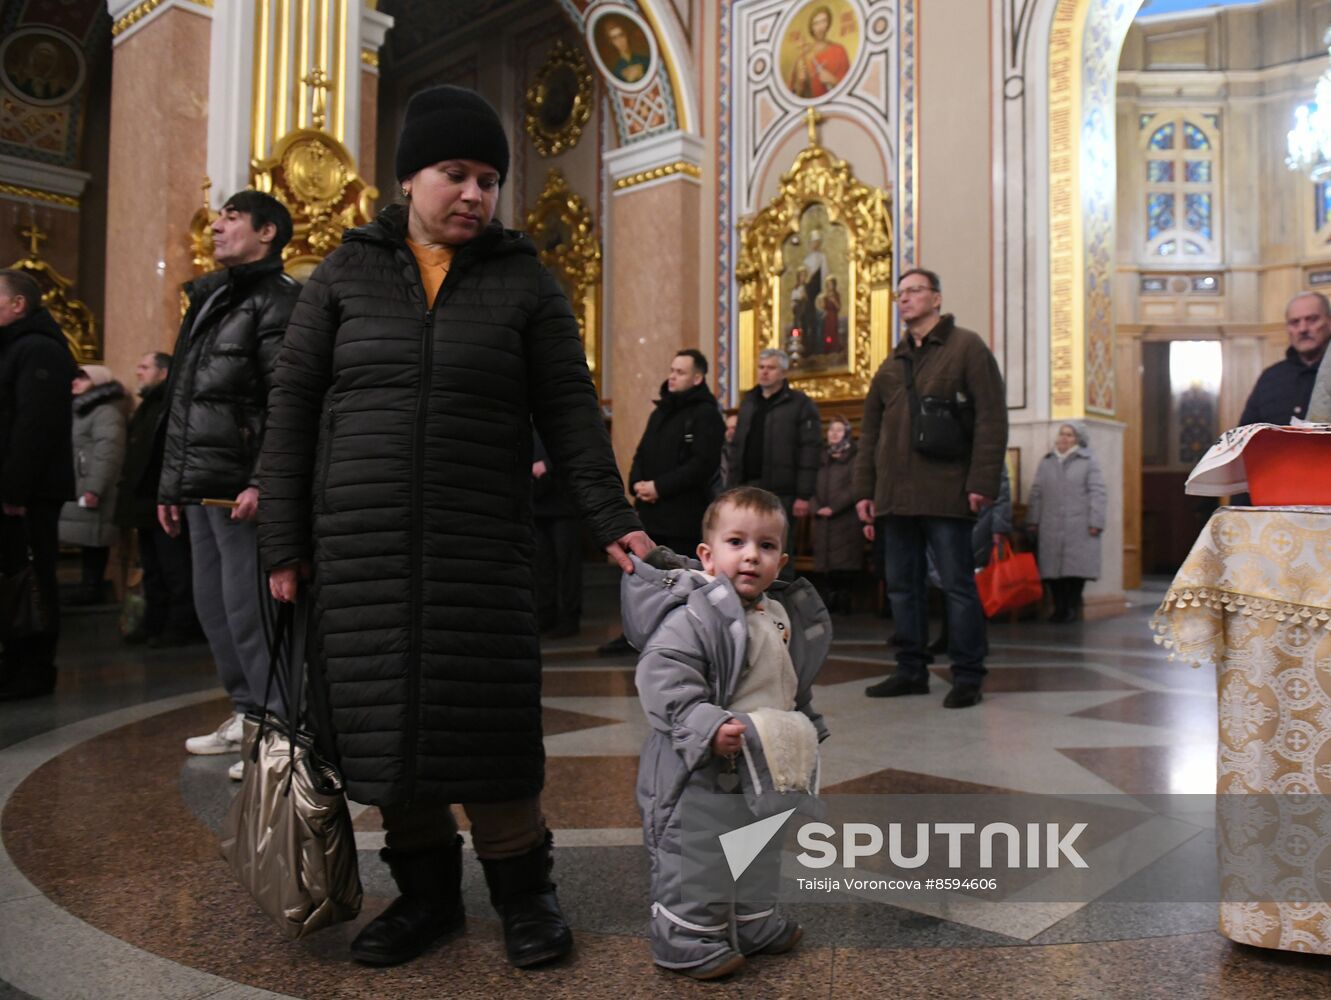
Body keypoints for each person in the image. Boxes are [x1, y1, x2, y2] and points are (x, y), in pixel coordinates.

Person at [258, 85, 651, 971]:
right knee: (385, 728)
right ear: (409, 178)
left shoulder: (524, 280)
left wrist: (611, 519)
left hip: (479, 545)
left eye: (488, 178)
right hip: (359, 550)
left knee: (489, 727)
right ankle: (426, 897)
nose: (475, 193)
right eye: (455, 174)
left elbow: (570, 411)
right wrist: (282, 539)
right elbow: (292, 410)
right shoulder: (344, 274)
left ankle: (525, 895)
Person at [621, 486, 829, 980]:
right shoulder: (695, 613)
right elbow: (663, 676)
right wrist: (707, 724)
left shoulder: (777, 614)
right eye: (737, 542)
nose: (752, 556)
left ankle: (753, 921)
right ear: (708, 556)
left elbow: (784, 680)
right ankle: (687, 938)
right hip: (698, 766)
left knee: (758, 847)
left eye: (767, 545)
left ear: (782, 558)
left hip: (757, 762)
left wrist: (804, 724)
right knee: (698, 856)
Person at [157, 189, 300, 775]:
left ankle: (280, 723)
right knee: (214, 607)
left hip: (242, 488)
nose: (216, 227)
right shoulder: (211, 298)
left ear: (267, 232)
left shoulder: (277, 300)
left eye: (231, 218)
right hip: (202, 484)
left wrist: (264, 480)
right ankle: (247, 710)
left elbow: (286, 399)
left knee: (251, 609)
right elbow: (184, 401)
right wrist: (171, 486)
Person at [854, 268, 1007, 709]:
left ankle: (967, 674)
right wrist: (866, 490)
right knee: (902, 586)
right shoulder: (891, 363)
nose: (904, 299)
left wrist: (982, 482)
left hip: (947, 490)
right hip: (895, 496)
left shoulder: (967, 348)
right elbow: (870, 432)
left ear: (936, 299)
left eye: (914, 291)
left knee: (957, 586)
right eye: (899, 293)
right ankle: (910, 669)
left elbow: (991, 420)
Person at [0, 268, 77, 701]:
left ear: (18, 305)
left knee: (30, 578)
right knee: (12, 578)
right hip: (15, 488)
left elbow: (34, 426)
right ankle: (14, 664)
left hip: (28, 494)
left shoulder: (39, 350)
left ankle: (32, 669)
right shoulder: (14, 347)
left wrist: (14, 491)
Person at [115, 352, 198, 646]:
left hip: (162, 498)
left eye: (145, 366)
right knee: (152, 569)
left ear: (164, 373)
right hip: (144, 501)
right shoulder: (148, 405)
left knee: (174, 567)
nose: (138, 371)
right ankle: (155, 622)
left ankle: (181, 624)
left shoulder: (170, 403)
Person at [728, 348, 821, 579]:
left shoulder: (800, 403)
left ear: (783, 372)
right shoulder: (749, 401)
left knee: (779, 550)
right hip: (748, 487)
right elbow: (738, 448)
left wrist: (804, 495)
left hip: (784, 491)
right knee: (745, 548)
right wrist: (731, 489)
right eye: (761, 367)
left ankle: (780, 607)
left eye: (770, 368)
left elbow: (810, 450)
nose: (764, 372)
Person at [629, 349, 725, 556]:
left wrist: (659, 487)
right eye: (672, 370)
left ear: (697, 378)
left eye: (680, 372)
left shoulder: (706, 414)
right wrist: (636, 483)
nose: (672, 376)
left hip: (683, 522)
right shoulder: (660, 412)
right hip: (649, 516)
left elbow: (701, 465)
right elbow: (642, 452)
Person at [58, 365, 127, 606]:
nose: (75, 381)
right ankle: (86, 587)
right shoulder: (82, 410)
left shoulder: (104, 412)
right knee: (84, 535)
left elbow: (108, 453)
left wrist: (95, 487)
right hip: (77, 482)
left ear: (98, 382)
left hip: (92, 485)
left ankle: (91, 587)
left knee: (93, 537)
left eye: (83, 377)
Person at [1027, 423, 1106, 623]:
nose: (1064, 438)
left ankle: (1071, 607)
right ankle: (1058, 608)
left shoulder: (1088, 461)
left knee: (1075, 569)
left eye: (1069, 435)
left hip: (1078, 524)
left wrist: (1096, 520)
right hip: (1050, 523)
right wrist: (1033, 520)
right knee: (1052, 570)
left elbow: (1097, 492)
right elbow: (1036, 493)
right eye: (1062, 434)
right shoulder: (1047, 461)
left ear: (1078, 439)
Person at [928, 465, 1012, 653]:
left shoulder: (986, 450)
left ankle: (977, 640)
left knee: (974, 583)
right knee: (945, 581)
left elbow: (1002, 491)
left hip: (980, 522)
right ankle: (948, 635)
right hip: (949, 516)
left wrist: (1000, 527)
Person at [1239, 291, 1331, 426]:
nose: (1303, 328)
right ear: (1288, 328)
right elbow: (1245, 435)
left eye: (1312, 319)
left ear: (1329, 321)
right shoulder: (1270, 377)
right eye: (1294, 322)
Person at [532, 430, 583, 639]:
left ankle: (569, 618)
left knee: (567, 565)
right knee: (542, 564)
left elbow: (577, 449)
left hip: (564, 503)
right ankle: (545, 615)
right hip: (537, 500)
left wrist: (548, 463)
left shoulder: (564, 416)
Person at [811, 414, 862, 614]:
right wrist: (816, 507)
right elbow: (811, 485)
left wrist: (834, 507)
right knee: (826, 562)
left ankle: (843, 598)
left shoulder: (854, 457)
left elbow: (855, 487)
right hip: (822, 519)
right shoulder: (821, 457)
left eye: (839, 430)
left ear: (846, 434)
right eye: (831, 430)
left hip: (845, 518)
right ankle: (830, 596)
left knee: (844, 561)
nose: (834, 434)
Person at [787, 5, 851, 99]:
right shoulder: (803, 57)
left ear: (828, 23)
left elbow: (851, 85)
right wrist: (800, 82)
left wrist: (833, 80)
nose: (820, 27)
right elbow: (794, 94)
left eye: (823, 21)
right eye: (816, 23)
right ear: (811, 27)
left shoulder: (839, 50)